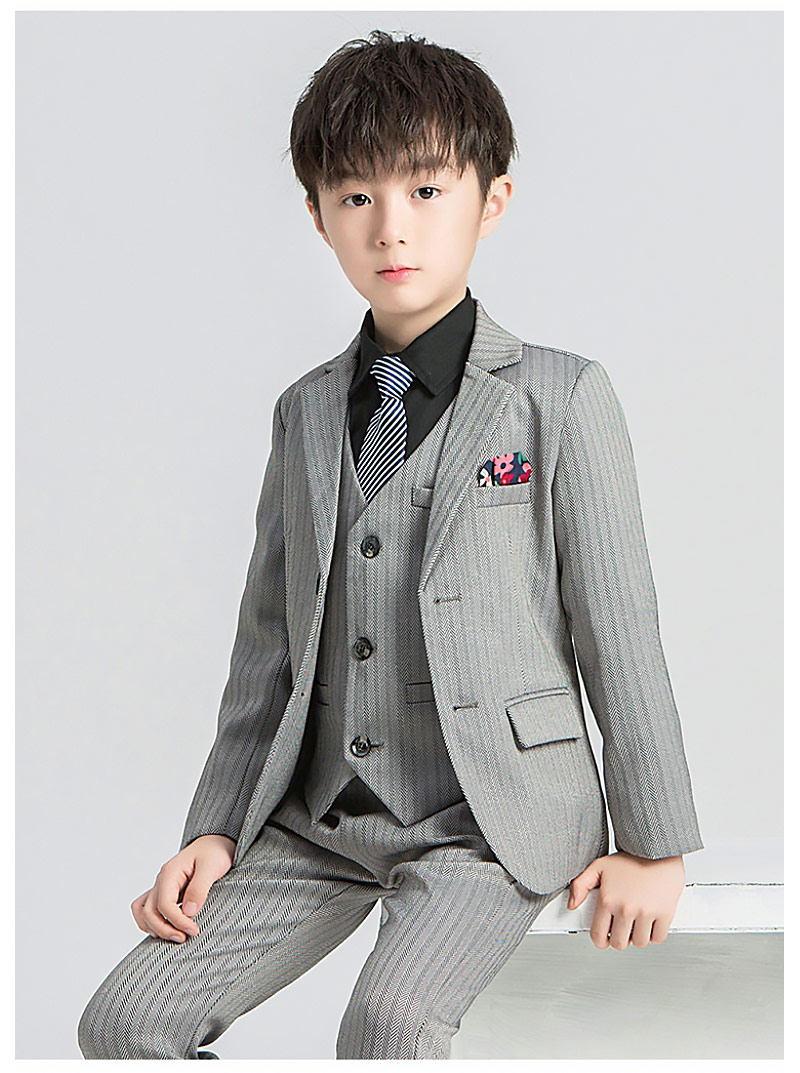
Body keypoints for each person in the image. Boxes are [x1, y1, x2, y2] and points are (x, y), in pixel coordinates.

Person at [77, 29, 703, 1060]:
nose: (390, 226)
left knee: (389, 1025)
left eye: (424, 190)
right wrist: (216, 826)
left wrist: (653, 841)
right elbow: (267, 647)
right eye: (356, 195)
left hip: (487, 822)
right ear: (317, 216)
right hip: (318, 818)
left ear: (490, 201)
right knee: (125, 1021)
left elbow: (619, 628)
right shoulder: (306, 410)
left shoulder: (558, 396)